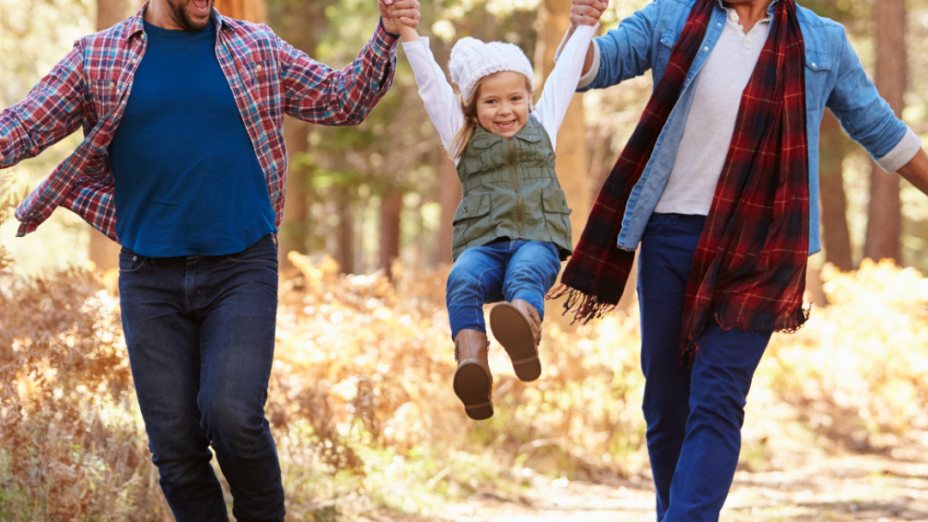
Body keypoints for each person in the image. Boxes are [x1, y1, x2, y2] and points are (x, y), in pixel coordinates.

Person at [0, 0, 420, 520]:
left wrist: (384, 34)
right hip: (148, 277)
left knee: (233, 416)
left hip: (240, 267)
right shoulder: (99, 57)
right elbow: (21, 127)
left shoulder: (255, 47)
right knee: (175, 448)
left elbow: (341, 100)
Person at [555, 0, 928, 520]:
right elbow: (595, 66)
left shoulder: (823, 42)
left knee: (718, 399)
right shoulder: (670, 17)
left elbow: (881, 130)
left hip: (764, 244)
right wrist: (582, 32)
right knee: (667, 407)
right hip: (670, 233)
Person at [392, 2, 607, 419]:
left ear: (529, 97)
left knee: (526, 271)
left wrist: (586, 25)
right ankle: (472, 362)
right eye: (491, 102)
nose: (505, 110)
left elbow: (563, 79)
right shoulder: (461, 139)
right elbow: (432, 85)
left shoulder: (543, 123)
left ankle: (523, 325)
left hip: (537, 239)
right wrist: (407, 33)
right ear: (472, 107)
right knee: (462, 278)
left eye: (515, 98)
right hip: (484, 247)